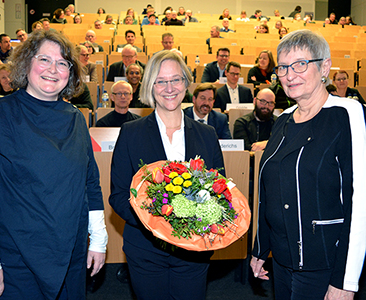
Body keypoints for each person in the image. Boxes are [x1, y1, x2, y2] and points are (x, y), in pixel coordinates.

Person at [0, 29, 108, 299]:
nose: (53, 69)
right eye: (44, 59)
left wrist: (99, 240)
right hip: (12, 259)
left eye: (62, 63)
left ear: (71, 72)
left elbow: (90, 185)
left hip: (69, 255)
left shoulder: (76, 118)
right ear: (27, 62)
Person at [251, 29, 366, 300]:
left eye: (300, 64)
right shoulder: (283, 119)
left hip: (324, 263)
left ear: (324, 66)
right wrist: (260, 248)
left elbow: (360, 200)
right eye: (283, 67)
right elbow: (268, 190)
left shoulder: (347, 115)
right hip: (282, 259)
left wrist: (345, 280)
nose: (290, 75)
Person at [109, 50, 224, 300]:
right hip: (145, 250)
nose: (169, 88)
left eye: (176, 79)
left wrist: (198, 222)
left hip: (193, 250)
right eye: (161, 81)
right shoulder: (130, 133)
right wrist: (155, 222)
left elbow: (220, 194)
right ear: (150, 86)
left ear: (186, 83)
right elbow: (118, 195)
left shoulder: (208, 135)